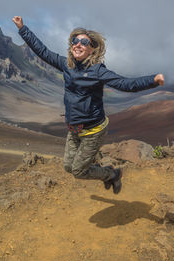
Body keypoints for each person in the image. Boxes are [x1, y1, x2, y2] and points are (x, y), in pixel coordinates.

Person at [12, 16, 165, 194]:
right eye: (74, 40)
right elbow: (42, 51)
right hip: (74, 129)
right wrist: (23, 28)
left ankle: (113, 174)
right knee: (69, 167)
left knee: (78, 171)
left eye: (84, 42)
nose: (78, 44)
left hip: (93, 130)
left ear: (92, 49)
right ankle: (102, 168)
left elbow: (125, 84)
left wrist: (152, 80)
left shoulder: (97, 71)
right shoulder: (66, 65)